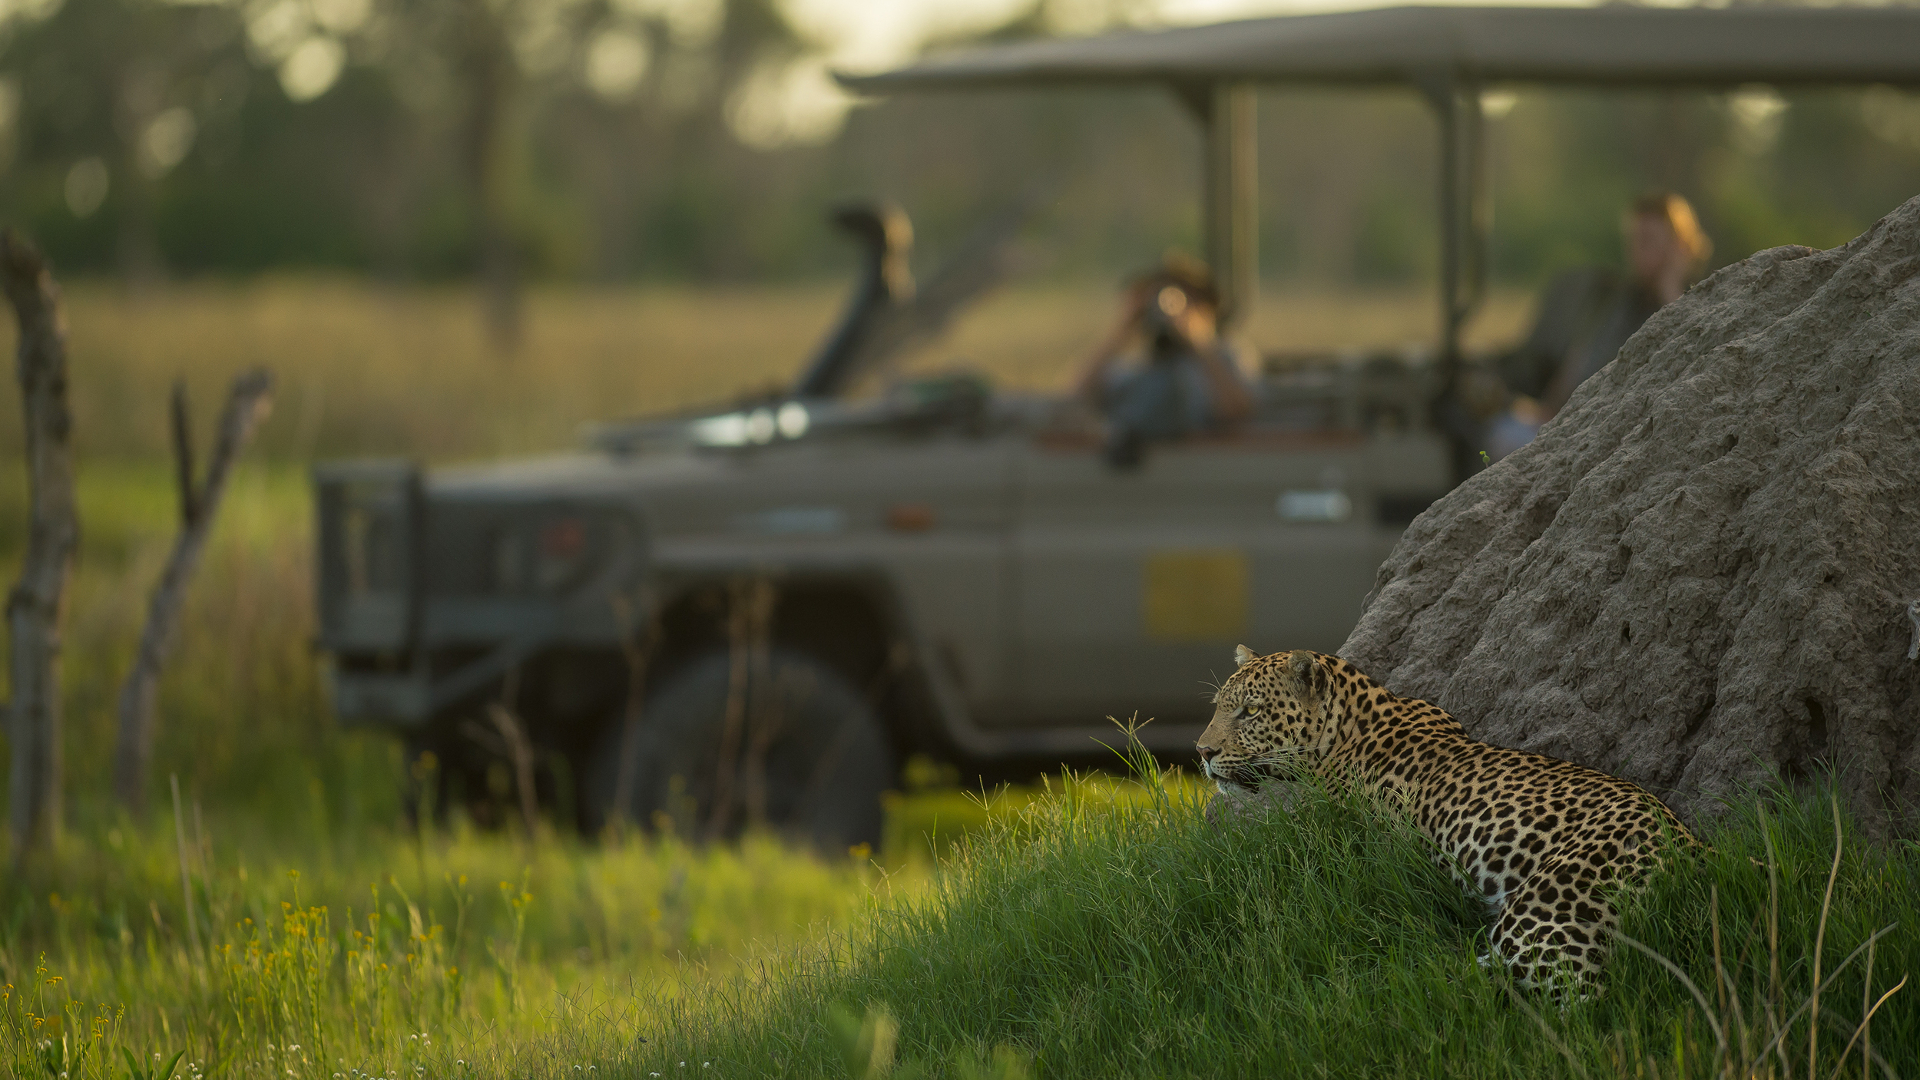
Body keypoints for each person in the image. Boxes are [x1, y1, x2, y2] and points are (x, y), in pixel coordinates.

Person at [1489, 193, 1713, 459]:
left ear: (1679, 247)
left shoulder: (1701, 303)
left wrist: (1670, 289)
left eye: (1649, 241)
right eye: (1634, 240)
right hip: (1571, 424)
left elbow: (1697, 354)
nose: (1637, 250)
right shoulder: (1613, 299)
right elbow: (1577, 364)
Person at [1073, 254, 1255, 469]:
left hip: (1205, 469)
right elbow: (1074, 397)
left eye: (1184, 300)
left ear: (1207, 307)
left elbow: (1236, 410)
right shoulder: (1137, 366)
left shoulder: (1225, 357)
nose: (1169, 312)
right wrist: (1122, 331)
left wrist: (1199, 341)